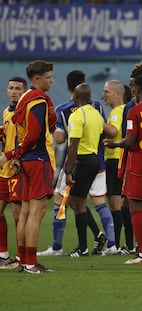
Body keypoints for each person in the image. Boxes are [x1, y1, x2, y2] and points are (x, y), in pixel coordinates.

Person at [37, 70, 113, 257]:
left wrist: (51, 128)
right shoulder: (96, 109)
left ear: (70, 89)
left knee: (62, 201)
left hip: (79, 161)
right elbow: (107, 130)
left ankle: (59, 247)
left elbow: (64, 141)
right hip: (98, 160)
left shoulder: (66, 111)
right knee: (96, 202)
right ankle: (109, 242)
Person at [0, 60, 56, 274]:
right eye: (49, 77)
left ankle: (24, 260)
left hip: (25, 162)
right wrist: (15, 153)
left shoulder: (24, 99)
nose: (52, 81)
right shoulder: (38, 100)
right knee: (36, 212)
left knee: (24, 212)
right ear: (37, 79)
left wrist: (15, 155)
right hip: (37, 160)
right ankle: (31, 264)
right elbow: (33, 135)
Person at [105, 74, 142, 264]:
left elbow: (130, 141)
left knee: (135, 206)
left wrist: (114, 145)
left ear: (137, 90)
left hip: (138, 164)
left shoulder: (134, 112)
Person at [65, 83, 105, 258]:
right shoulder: (96, 114)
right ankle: (97, 234)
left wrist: (68, 171)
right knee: (76, 201)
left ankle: (82, 248)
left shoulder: (77, 116)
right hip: (94, 158)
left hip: (82, 160)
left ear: (75, 96)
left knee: (78, 204)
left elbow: (73, 145)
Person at [0, 76, 27, 269]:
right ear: (7, 91)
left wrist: (8, 155)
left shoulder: (26, 113)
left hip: (18, 167)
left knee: (18, 213)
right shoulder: (6, 112)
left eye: (18, 88)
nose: (14, 91)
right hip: (4, 169)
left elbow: (26, 141)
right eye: (11, 88)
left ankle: (21, 258)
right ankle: (3, 256)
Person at [102, 80, 125, 252]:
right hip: (122, 159)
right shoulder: (126, 110)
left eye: (107, 91)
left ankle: (115, 244)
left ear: (118, 94)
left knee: (114, 203)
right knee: (124, 203)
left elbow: (114, 132)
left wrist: (96, 120)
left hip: (114, 159)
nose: (104, 94)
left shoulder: (117, 112)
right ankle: (130, 244)